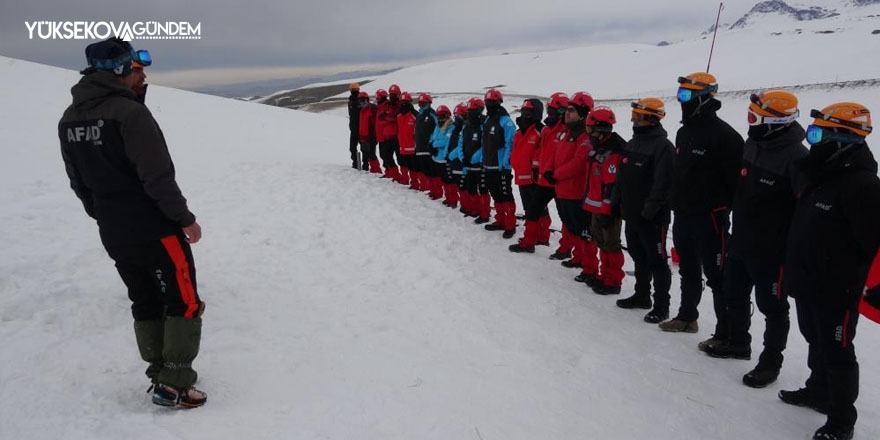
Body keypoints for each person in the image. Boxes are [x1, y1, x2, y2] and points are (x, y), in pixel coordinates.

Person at [58, 38, 206, 408]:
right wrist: (183, 219)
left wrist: (105, 214)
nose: (143, 78)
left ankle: (159, 373)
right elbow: (156, 176)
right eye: (138, 70)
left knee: (144, 298)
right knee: (183, 300)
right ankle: (175, 382)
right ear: (121, 71)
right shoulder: (130, 114)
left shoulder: (70, 117)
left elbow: (78, 181)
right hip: (155, 225)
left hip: (113, 228)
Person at [779, 102, 880, 440]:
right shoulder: (820, 174)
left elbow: (875, 242)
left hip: (839, 289)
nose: (813, 141)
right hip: (809, 281)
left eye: (819, 133)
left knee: (838, 352)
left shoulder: (863, 186)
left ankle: (841, 421)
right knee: (814, 338)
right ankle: (817, 390)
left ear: (844, 138)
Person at [703, 90, 807, 390]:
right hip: (741, 241)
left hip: (772, 251)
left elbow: (803, 212)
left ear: (775, 122)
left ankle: (770, 363)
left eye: (754, 117)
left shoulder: (798, 159)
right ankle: (738, 342)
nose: (749, 122)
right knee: (733, 293)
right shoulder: (752, 144)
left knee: (773, 307)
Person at [661, 72, 744, 339]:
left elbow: (735, 185)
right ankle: (687, 317)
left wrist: (721, 209)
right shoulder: (684, 132)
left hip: (710, 217)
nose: (681, 100)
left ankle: (727, 333)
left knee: (718, 275)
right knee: (688, 268)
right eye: (679, 95)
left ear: (703, 97)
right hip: (683, 214)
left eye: (686, 95)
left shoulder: (726, 137)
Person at [614, 97, 674, 324]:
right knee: (638, 256)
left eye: (638, 116)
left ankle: (662, 305)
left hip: (652, 217)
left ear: (650, 118)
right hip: (631, 212)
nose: (633, 120)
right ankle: (641, 295)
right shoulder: (633, 142)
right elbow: (622, 176)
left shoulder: (663, 147)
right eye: (633, 115)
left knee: (657, 260)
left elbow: (663, 182)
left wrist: (650, 209)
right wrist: (616, 200)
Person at [511, 93, 570, 254]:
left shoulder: (566, 131)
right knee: (532, 210)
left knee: (566, 216)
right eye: (548, 110)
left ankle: (566, 249)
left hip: (559, 180)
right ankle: (529, 241)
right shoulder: (547, 130)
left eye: (553, 110)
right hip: (544, 178)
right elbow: (541, 152)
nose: (549, 113)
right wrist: (537, 168)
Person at [542, 92, 594, 274]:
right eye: (567, 110)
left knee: (582, 229)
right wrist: (547, 170)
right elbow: (555, 155)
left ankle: (587, 264)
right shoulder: (565, 132)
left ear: (583, 113)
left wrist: (555, 174)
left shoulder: (584, 136)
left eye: (571, 110)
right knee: (571, 226)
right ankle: (578, 257)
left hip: (575, 191)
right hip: (562, 190)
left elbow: (579, 163)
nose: (567, 113)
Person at [581, 106, 627, 295]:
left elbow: (611, 184)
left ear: (600, 129)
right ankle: (603, 274)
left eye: (590, 128)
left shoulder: (614, 150)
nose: (588, 132)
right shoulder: (600, 147)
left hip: (608, 208)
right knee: (601, 241)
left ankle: (613, 280)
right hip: (596, 204)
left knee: (611, 243)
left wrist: (609, 209)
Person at [481, 89, 519, 238]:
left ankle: (510, 224)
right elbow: (485, 143)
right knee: (496, 194)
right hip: (489, 164)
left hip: (501, 166)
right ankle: (500, 220)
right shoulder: (487, 119)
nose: (489, 105)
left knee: (506, 195)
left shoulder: (506, 121)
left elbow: (511, 143)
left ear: (499, 102)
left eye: (492, 102)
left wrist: (506, 164)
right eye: (487, 102)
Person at [507, 99, 545, 249]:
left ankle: (542, 236)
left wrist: (535, 169)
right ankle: (532, 237)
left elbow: (542, 153)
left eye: (528, 112)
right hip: (521, 175)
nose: (524, 114)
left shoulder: (541, 131)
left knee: (538, 208)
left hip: (534, 178)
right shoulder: (518, 132)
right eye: (523, 111)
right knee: (529, 208)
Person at [460, 98, 490, 222]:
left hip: (480, 164)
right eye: (470, 110)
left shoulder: (484, 125)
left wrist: (473, 158)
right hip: (468, 164)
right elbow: (461, 142)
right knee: (471, 188)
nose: (471, 112)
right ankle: (475, 209)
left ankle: (484, 213)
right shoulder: (466, 126)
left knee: (482, 189)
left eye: (474, 110)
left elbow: (485, 145)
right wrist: (462, 157)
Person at [443, 103, 468, 209]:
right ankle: (463, 205)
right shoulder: (454, 128)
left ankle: (468, 206)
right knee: (458, 184)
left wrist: (451, 156)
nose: (457, 118)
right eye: (455, 116)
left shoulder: (466, 128)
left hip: (461, 161)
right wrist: (446, 155)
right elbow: (449, 142)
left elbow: (461, 145)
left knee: (465, 186)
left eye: (458, 116)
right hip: (453, 162)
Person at [380, 85, 405, 183]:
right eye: (391, 95)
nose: (392, 97)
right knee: (387, 156)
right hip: (387, 135)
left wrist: (387, 117)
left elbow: (395, 119)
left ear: (398, 95)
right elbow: (382, 119)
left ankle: (404, 178)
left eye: (394, 94)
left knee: (400, 159)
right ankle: (396, 175)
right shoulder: (388, 105)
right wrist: (387, 117)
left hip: (397, 136)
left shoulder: (401, 106)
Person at [429, 105, 455, 201]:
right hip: (436, 158)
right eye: (439, 116)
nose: (440, 118)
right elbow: (433, 137)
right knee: (443, 179)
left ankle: (452, 199)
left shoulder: (451, 127)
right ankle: (448, 198)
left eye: (442, 116)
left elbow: (445, 141)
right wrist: (431, 144)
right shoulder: (437, 126)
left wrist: (434, 144)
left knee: (449, 180)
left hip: (444, 158)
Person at [414, 93, 438, 194]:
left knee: (433, 172)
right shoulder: (419, 115)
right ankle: (431, 190)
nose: (421, 106)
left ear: (429, 102)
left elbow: (437, 131)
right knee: (426, 171)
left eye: (423, 103)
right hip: (420, 148)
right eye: (420, 104)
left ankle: (438, 192)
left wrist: (432, 143)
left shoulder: (433, 115)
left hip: (429, 149)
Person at [375, 89, 400, 180]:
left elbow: (390, 118)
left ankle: (394, 173)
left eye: (378, 97)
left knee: (387, 155)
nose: (377, 99)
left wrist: (385, 117)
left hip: (388, 134)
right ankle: (389, 172)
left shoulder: (386, 105)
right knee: (384, 155)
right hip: (382, 134)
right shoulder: (381, 106)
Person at [397, 91, 418, 188]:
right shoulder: (398, 116)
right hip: (402, 146)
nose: (403, 105)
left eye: (405, 102)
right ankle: (406, 180)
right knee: (405, 164)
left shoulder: (415, 115)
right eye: (401, 102)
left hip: (413, 147)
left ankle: (416, 184)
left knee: (414, 167)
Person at [358, 91, 381, 173]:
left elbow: (375, 124)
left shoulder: (372, 109)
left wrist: (374, 137)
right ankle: (371, 169)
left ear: (367, 100)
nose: (362, 102)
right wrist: (360, 137)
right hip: (363, 137)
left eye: (364, 100)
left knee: (372, 154)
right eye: (360, 101)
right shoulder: (361, 111)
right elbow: (361, 125)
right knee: (366, 154)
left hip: (371, 137)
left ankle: (377, 170)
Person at [347, 82, 361, 168]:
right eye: (353, 89)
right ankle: (356, 164)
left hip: (361, 128)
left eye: (355, 89)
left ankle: (364, 165)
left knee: (364, 148)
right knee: (352, 147)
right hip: (353, 128)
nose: (354, 91)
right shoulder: (350, 101)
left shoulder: (361, 100)